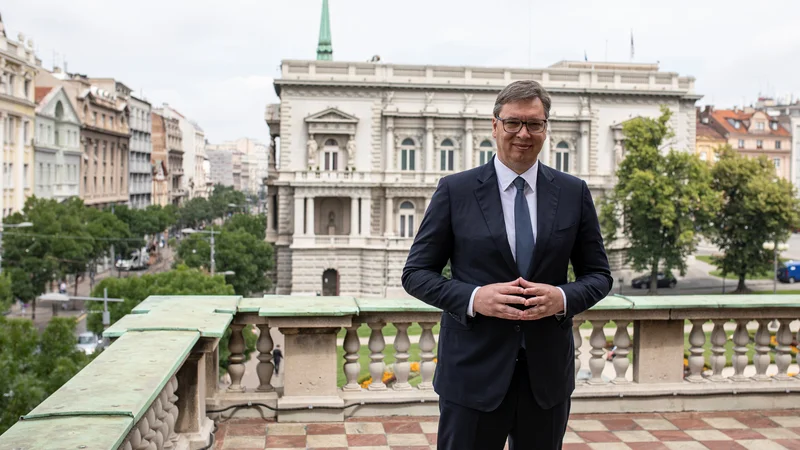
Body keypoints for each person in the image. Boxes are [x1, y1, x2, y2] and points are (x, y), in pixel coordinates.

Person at [402, 80, 612, 450]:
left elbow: (598, 276)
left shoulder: (573, 192)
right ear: (495, 125)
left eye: (535, 124)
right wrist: (474, 298)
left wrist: (562, 297)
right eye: (513, 122)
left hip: (545, 379)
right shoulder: (456, 190)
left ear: (546, 129)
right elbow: (416, 274)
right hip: (472, 375)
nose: (523, 134)